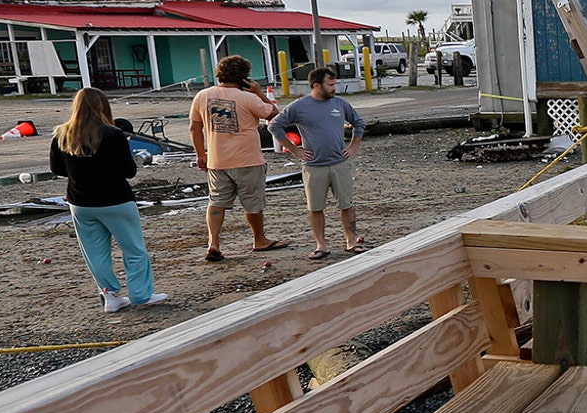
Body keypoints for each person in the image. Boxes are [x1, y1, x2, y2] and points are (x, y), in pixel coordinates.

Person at [49, 88, 167, 311]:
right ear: (104, 107)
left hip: (80, 202)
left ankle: (110, 296)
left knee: (95, 253)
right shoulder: (113, 135)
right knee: (133, 249)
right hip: (116, 199)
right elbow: (128, 171)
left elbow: (57, 168)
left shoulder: (61, 135)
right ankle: (141, 295)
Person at [190, 54, 287, 261]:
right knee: (252, 203)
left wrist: (201, 154)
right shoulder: (248, 98)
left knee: (216, 202)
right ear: (244, 77)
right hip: (247, 159)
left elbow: (195, 127)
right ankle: (259, 239)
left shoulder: (202, 96)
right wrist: (260, 93)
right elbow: (275, 114)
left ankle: (213, 243)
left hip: (217, 159)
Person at [271, 66, 368, 259]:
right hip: (314, 166)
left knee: (346, 204)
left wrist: (353, 146)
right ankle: (321, 245)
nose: (335, 88)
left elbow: (359, 123)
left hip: (340, 163)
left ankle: (351, 241)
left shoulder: (340, 103)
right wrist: (294, 149)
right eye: (330, 85)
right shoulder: (299, 106)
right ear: (316, 85)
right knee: (315, 207)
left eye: (334, 84)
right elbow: (274, 126)